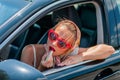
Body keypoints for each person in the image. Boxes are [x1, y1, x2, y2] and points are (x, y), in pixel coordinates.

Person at [20, 19, 115, 71]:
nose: (54, 43)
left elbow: (109, 50)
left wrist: (80, 57)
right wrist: (42, 67)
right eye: (53, 36)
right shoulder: (30, 51)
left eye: (62, 43)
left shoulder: (71, 53)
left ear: (70, 49)